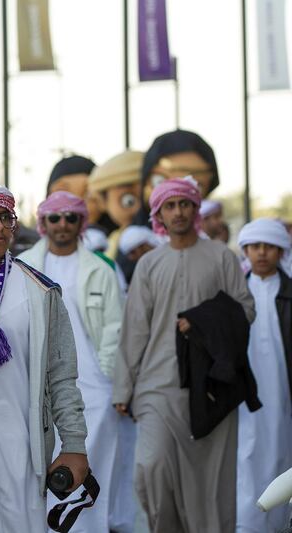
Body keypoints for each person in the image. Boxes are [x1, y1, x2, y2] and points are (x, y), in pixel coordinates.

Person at [0, 182, 88, 532]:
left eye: (5, 217)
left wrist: (74, 444)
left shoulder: (39, 291)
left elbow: (61, 374)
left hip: (22, 449)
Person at [114, 178, 255, 532]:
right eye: (170, 205)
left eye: (185, 204)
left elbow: (245, 309)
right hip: (157, 385)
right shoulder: (149, 264)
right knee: (152, 468)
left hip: (211, 385)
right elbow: (134, 330)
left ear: (196, 209)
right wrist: (123, 388)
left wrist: (202, 322)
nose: (179, 211)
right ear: (158, 213)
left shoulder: (221, 256)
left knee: (211, 481)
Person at [19, 191, 125, 532]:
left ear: (81, 223)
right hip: (40, 384)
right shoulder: (23, 266)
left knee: (91, 467)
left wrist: (112, 377)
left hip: (94, 385)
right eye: (55, 218)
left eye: (71, 217)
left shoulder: (101, 269)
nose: (62, 224)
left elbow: (115, 327)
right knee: (40, 465)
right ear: (43, 223)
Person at [236, 218, 292, 533]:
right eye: (255, 247)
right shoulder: (235, 291)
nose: (261, 253)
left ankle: (281, 523)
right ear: (245, 250)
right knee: (246, 453)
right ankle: (248, 523)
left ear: (280, 250)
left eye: (268, 246)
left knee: (283, 450)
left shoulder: (289, 290)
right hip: (245, 391)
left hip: (283, 390)